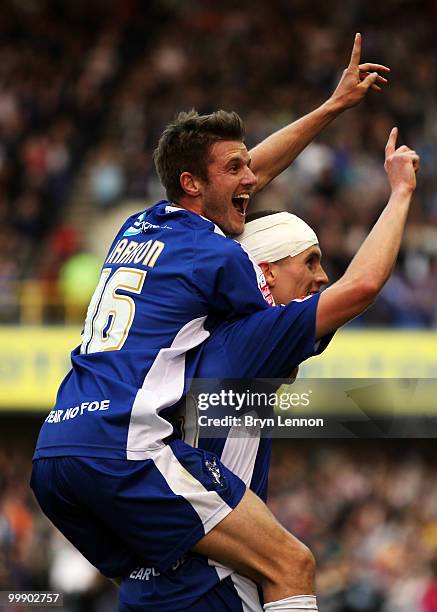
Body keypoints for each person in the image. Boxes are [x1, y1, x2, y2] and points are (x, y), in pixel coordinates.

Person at [31, 34, 389, 609]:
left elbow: (245, 181)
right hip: (127, 447)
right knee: (289, 563)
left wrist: (330, 107)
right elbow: (270, 338)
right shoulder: (225, 258)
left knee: (165, 578)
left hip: (55, 452)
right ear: (193, 183)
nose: (250, 177)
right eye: (234, 168)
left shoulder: (138, 226)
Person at [117, 128, 419, 611]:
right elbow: (361, 286)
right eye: (311, 261)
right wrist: (401, 192)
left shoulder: (205, 333)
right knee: (294, 564)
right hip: (209, 585)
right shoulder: (250, 340)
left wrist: (332, 110)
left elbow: (228, 184)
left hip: (156, 581)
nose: (321, 278)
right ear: (267, 273)